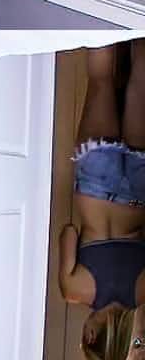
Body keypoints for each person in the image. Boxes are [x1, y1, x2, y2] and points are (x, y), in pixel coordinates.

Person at [58, 40, 145, 354]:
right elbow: (69, 233)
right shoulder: (73, 290)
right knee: (101, 80)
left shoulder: (143, 292)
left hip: (138, 194)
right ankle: (104, 19)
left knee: (140, 83)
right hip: (95, 184)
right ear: (91, 336)